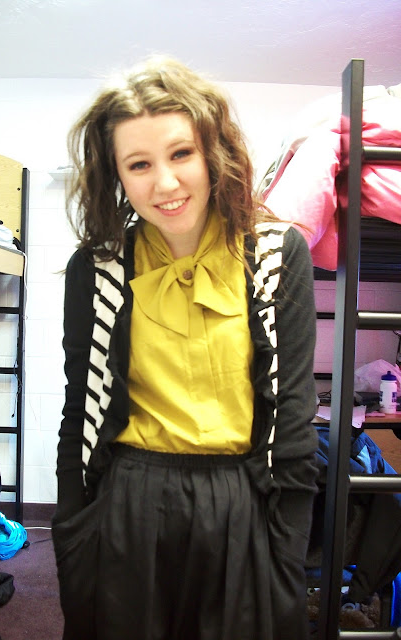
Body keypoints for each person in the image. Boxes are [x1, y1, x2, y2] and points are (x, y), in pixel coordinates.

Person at [52, 56, 320, 640]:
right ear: (117, 174)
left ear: (212, 153)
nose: (165, 184)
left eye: (180, 154)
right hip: (127, 503)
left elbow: (295, 419)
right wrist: (73, 539)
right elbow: (79, 412)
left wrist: (286, 559)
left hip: (242, 505)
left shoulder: (277, 254)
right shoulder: (97, 267)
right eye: (139, 164)